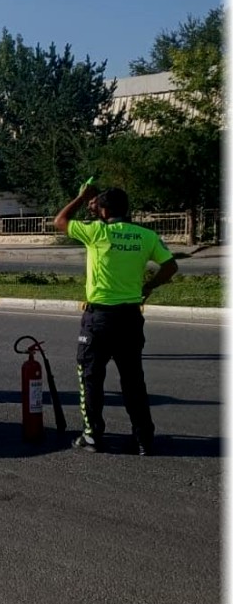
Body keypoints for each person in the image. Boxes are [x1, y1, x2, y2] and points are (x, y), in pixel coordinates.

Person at [53, 184, 178, 455]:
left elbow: (60, 221)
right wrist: (149, 287)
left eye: (98, 207)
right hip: (130, 318)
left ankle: (93, 435)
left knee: (90, 377)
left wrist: (81, 197)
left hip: (99, 318)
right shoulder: (146, 236)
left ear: (105, 210)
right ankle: (144, 438)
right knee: (133, 380)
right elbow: (171, 266)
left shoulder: (97, 232)